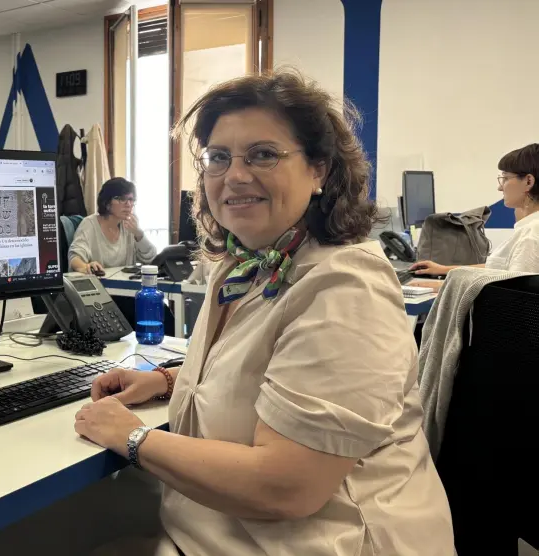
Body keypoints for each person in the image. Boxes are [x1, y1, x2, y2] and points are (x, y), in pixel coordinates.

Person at [73, 72, 454, 555]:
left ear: (319, 169)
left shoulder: (344, 286)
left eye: (263, 154)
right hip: (215, 529)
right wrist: (169, 381)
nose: (234, 175)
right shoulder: (242, 264)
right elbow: (255, 371)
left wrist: (132, 437)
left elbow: (286, 485)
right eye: (217, 157)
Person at [411, 143, 539, 275]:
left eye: (505, 178)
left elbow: (514, 289)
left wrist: (439, 286)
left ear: (528, 181)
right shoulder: (530, 229)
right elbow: (498, 267)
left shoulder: (531, 235)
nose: (500, 188)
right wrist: (443, 270)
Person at [68, 177, 157, 274]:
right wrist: (85, 267)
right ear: (106, 202)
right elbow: (74, 257)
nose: (128, 204)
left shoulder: (130, 226)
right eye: (122, 199)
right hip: (99, 284)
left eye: (131, 200)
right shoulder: (89, 224)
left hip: (126, 286)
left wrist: (138, 234)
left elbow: (151, 259)